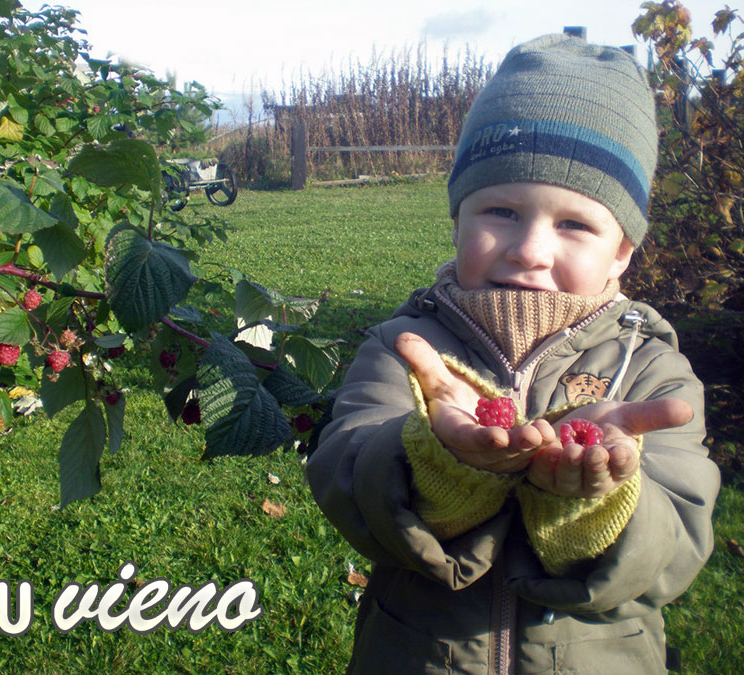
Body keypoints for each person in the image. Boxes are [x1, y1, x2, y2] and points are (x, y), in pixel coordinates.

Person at [306, 34, 721, 674]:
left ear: (622, 252)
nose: (529, 249)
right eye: (500, 209)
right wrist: (440, 468)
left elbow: (673, 550)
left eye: (575, 224)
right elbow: (345, 474)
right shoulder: (407, 346)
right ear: (457, 218)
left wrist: (596, 504)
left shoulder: (650, 368)